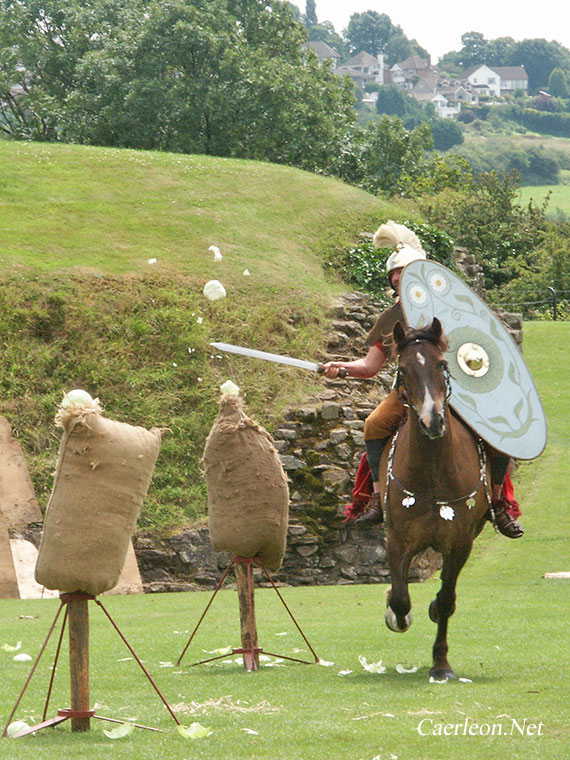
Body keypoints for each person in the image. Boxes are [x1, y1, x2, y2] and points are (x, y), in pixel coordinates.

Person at [322, 221, 524, 540]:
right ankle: (376, 499)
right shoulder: (390, 318)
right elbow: (370, 366)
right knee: (374, 425)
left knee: (498, 433)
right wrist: (341, 367)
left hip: (457, 389)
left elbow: (479, 348)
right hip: (408, 393)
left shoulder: (451, 309)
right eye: (395, 275)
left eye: (406, 273)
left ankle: (498, 503)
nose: (399, 279)